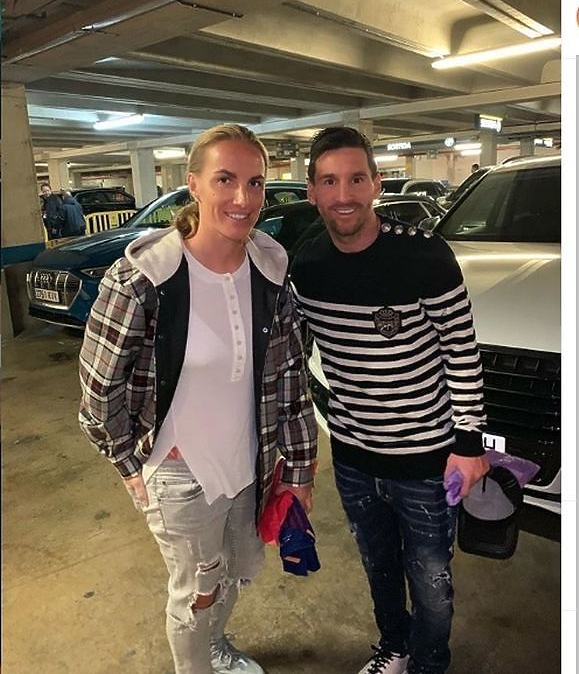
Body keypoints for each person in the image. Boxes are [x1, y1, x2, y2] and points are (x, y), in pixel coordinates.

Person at [78, 123, 318, 674]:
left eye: (255, 183)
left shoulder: (269, 272)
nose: (243, 199)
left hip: (249, 461)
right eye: (225, 179)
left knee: (235, 572)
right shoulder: (143, 279)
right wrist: (128, 463)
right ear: (193, 184)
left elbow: (290, 380)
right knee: (196, 592)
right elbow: (98, 389)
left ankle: (215, 648)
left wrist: (299, 470)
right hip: (180, 473)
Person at [291, 127, 489, 674]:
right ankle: (394, 650)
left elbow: (461, 351)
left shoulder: (424, 256)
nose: (344, 195)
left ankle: (428, 664)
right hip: (353, 458)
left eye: (356, 179)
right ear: (312, 192)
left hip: (426, 459)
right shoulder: (306, 267)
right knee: (378, 567)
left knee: (431, 582)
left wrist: (469, 442)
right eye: (329, 181)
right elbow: (288, 351)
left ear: (376, 184)